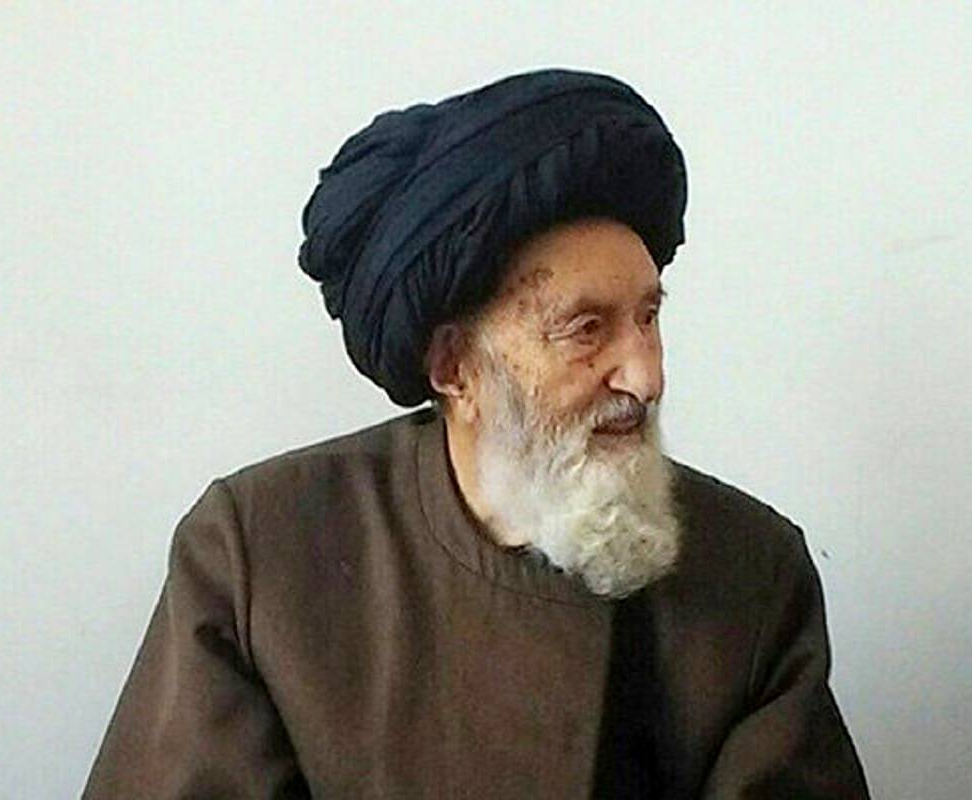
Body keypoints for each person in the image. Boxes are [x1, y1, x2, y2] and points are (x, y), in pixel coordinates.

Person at [84, 68, 870, 798]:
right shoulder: (258, 553)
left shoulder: (753, 574)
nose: (646, 375)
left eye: (648, 317)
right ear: (455, 367)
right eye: (586, 329)